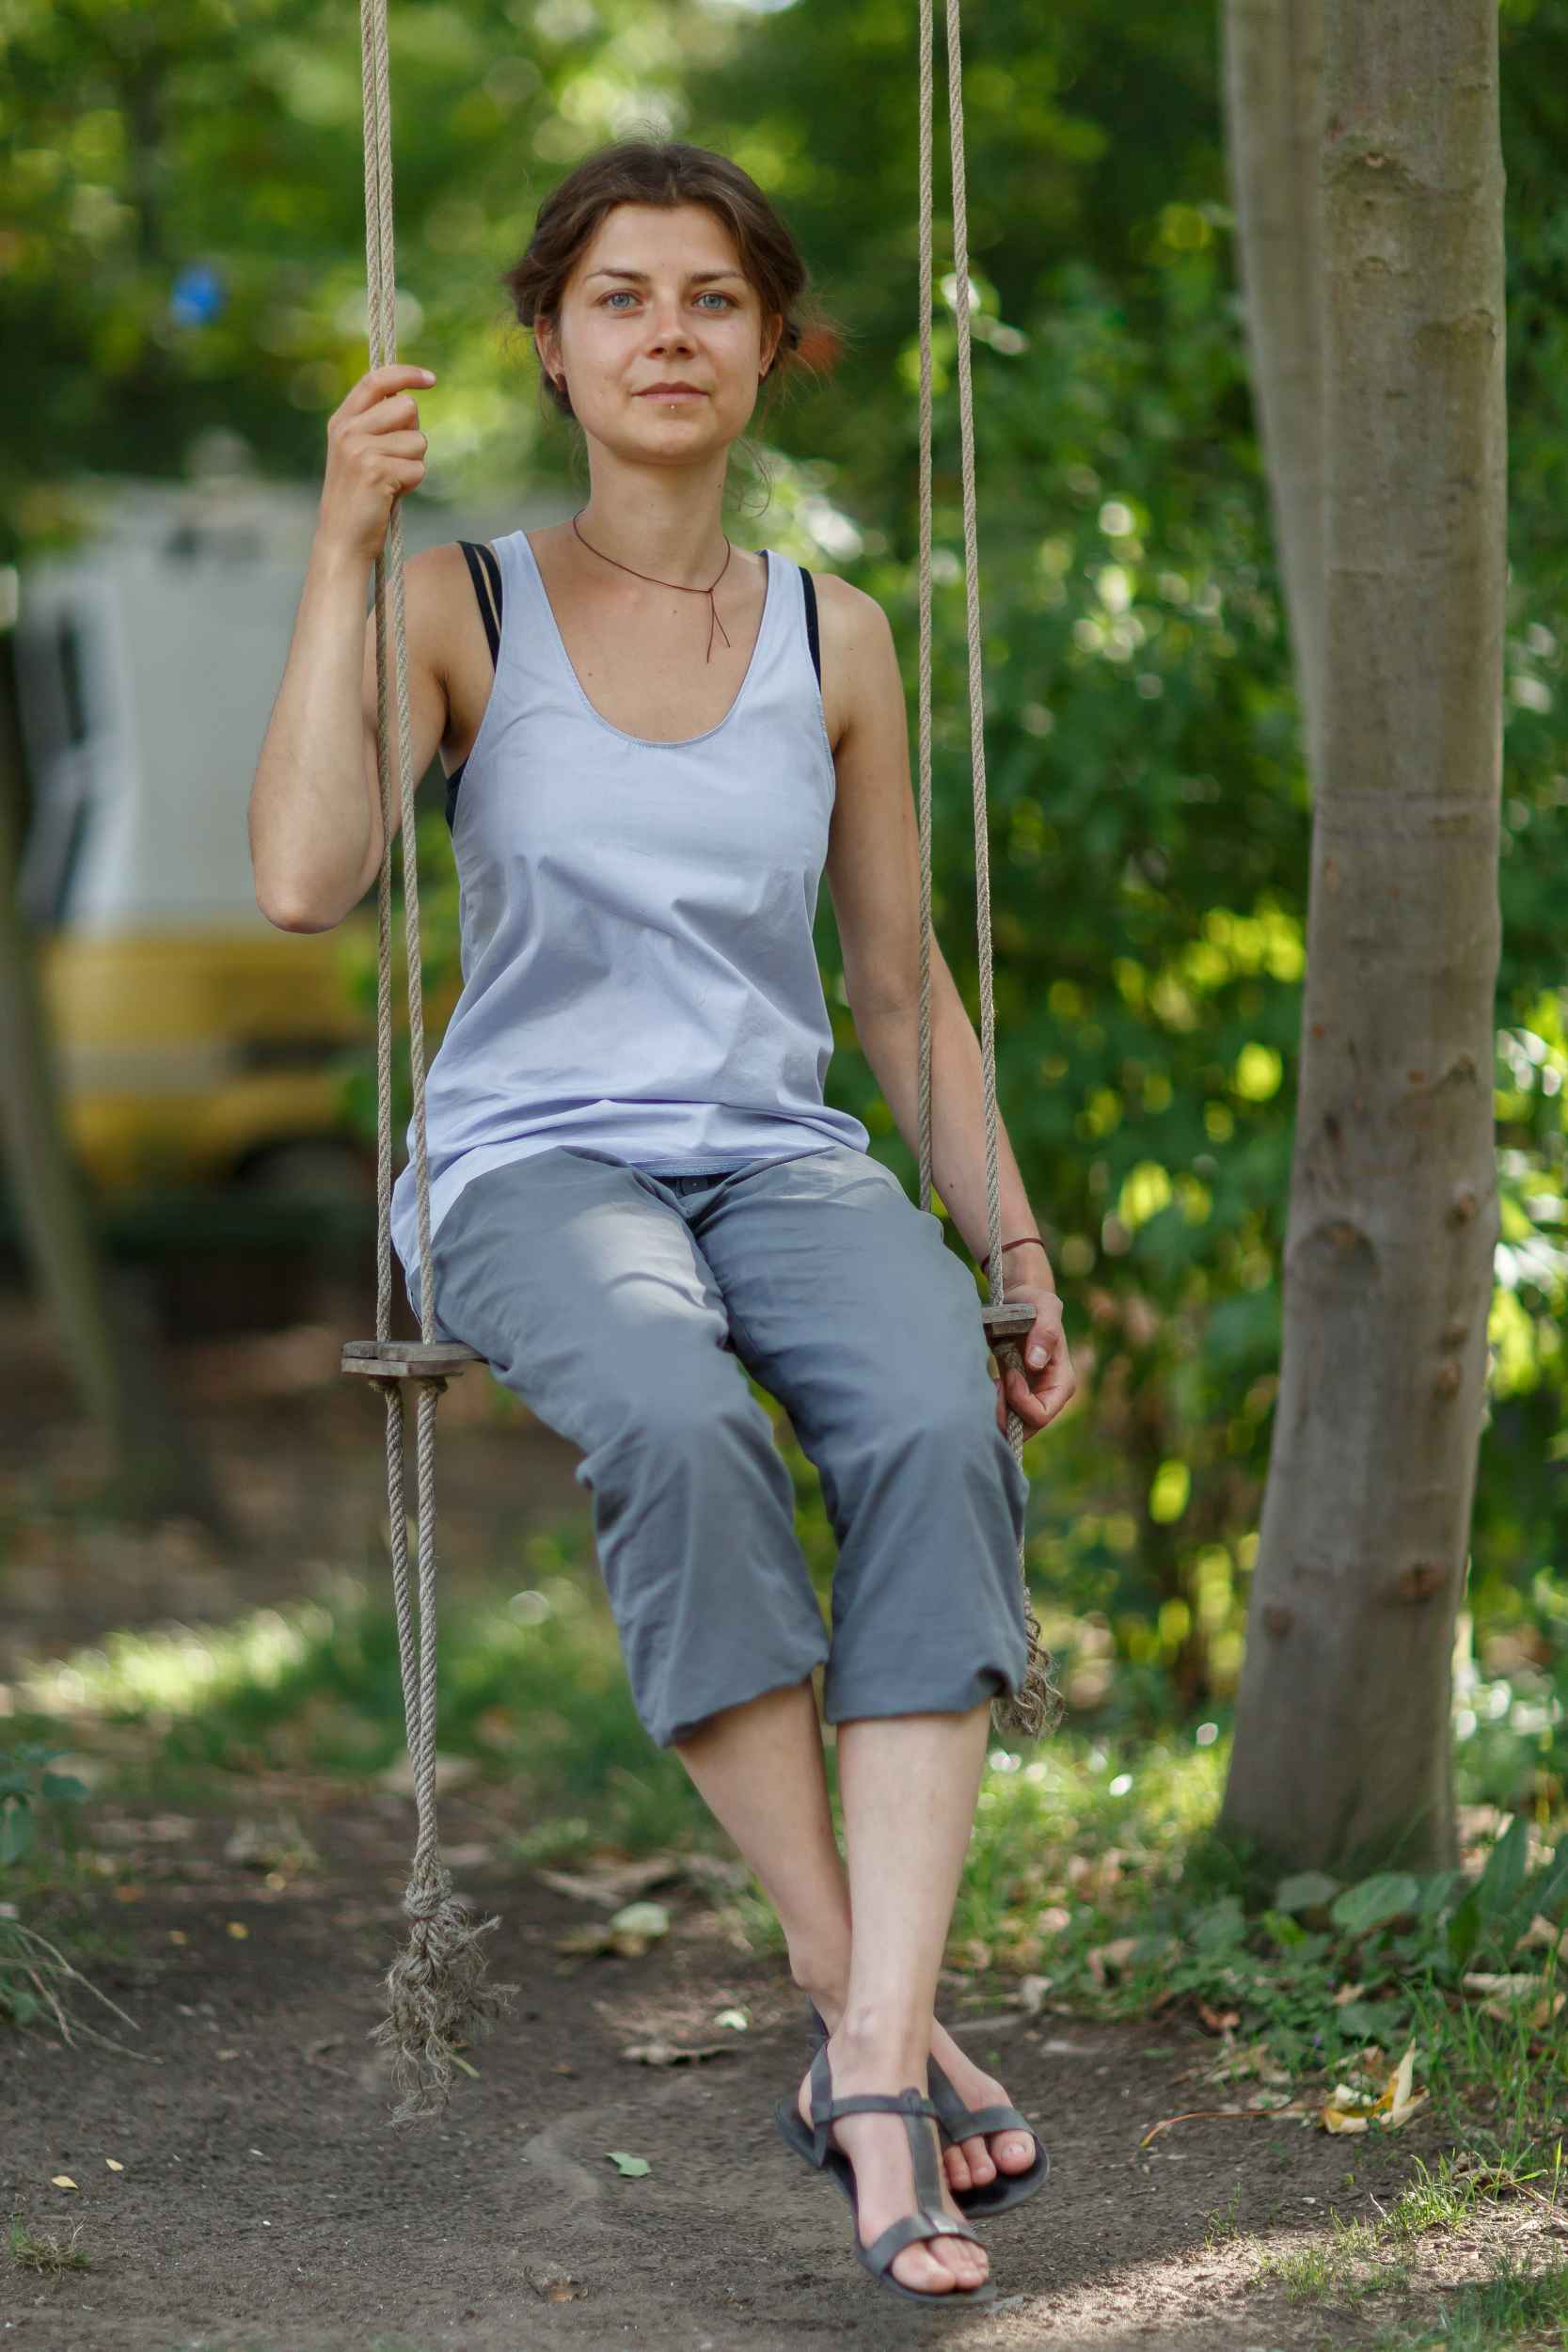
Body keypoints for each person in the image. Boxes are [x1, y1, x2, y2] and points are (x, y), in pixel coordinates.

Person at [250, 135, 1075, 2306]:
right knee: (685, 1430)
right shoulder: (465, 600)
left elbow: (897, 990)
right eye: (622, 296)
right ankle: (869, 2031)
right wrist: (344, 539)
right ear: (550, 340)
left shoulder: (841, 634)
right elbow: (303, 877)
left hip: (781, 1156)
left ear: (771, 344)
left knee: (928, 1426)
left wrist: (1009, 1243)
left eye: (712, 297)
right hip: (533, 1164)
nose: (669, 333)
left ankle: (865, 2045)